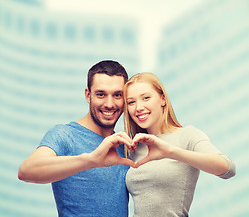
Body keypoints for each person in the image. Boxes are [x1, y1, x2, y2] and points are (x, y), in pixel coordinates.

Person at [18, 60, 135, 217]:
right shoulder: (65, 135)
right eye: (101, 94)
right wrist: (92, 160)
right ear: (88, 95)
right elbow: (26, 171)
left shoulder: (124, 145)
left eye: (117, 95)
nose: (109, 103)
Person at [123, 72, 236, 217]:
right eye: (131, 102)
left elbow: (228, 169)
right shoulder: (133, 147)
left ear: (163, 99)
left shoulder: (188, 136)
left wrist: (170, 151)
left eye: (146, 98)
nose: (139, 107)